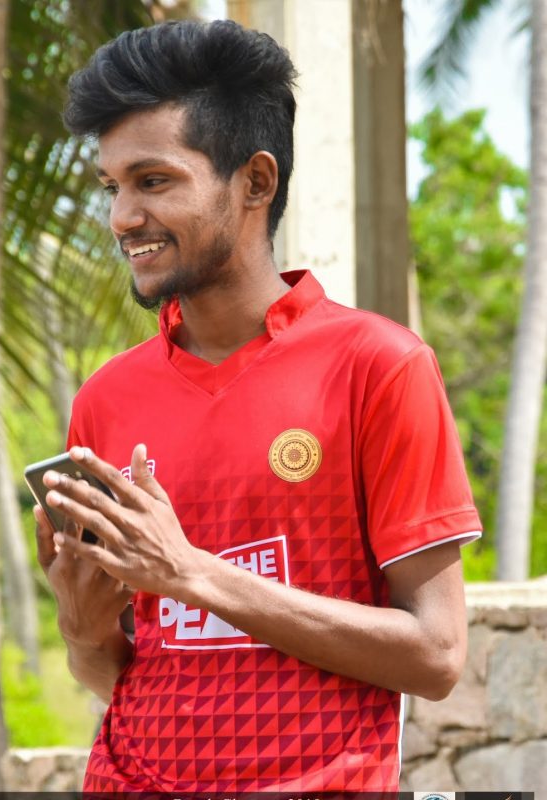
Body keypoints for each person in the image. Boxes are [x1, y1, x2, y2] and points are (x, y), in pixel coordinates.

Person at [35, 18, 482, 794]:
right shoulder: (107, 400)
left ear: (255, 182)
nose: (121, 218)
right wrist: (82, 626)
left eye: (153, 181)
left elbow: (436, 656)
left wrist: (189, 573)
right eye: (112, 187)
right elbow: (125, 677)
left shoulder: (378, 367)